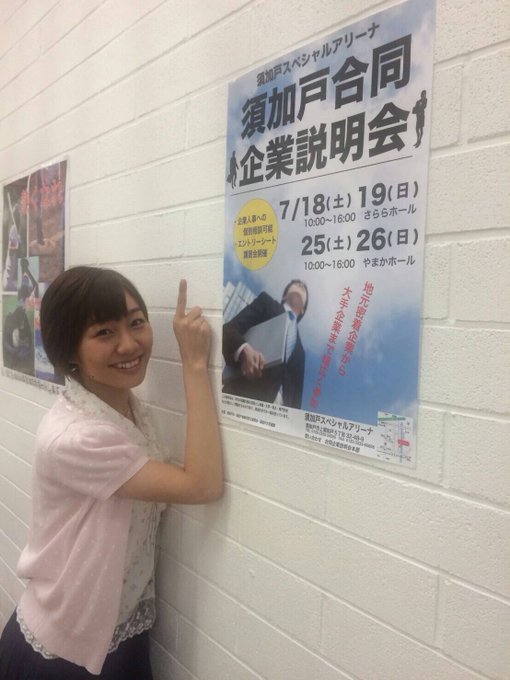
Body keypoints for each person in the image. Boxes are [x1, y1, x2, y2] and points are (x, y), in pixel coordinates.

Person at [0, 266, 223, 679]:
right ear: (69, 351)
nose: (129, 344)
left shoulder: (126, 408)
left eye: (136, 323)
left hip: (116, 632)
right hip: (64, 653)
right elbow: (203, 484)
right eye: (104, 332)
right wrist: (194, 364)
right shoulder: (79, 436)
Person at [222, 279, 308, 408]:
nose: (301, 285)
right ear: (284, 296)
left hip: (271, 413)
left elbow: (296, 399)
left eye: (304, 288)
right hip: (237, 397)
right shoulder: (267, 303)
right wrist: (244, 350)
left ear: (303, 310)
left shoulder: (301, 352)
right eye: (296, 284)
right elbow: (228, 330)